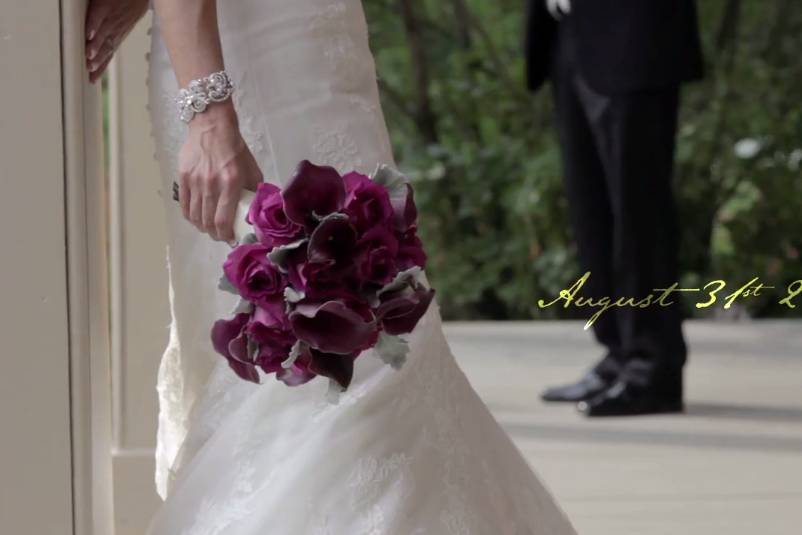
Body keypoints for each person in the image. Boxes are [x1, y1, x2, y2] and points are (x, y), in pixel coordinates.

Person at [85, 0, 579, 532]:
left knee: (368, 322)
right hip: (241, 67)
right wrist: (209, 113)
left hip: (318, 47)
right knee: (322, 337)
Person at [525, 0, 704, 416]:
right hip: (569, 30)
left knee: (639, 213)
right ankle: (619, 353)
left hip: (633, 27)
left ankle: (652, 369)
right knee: (591, 210)